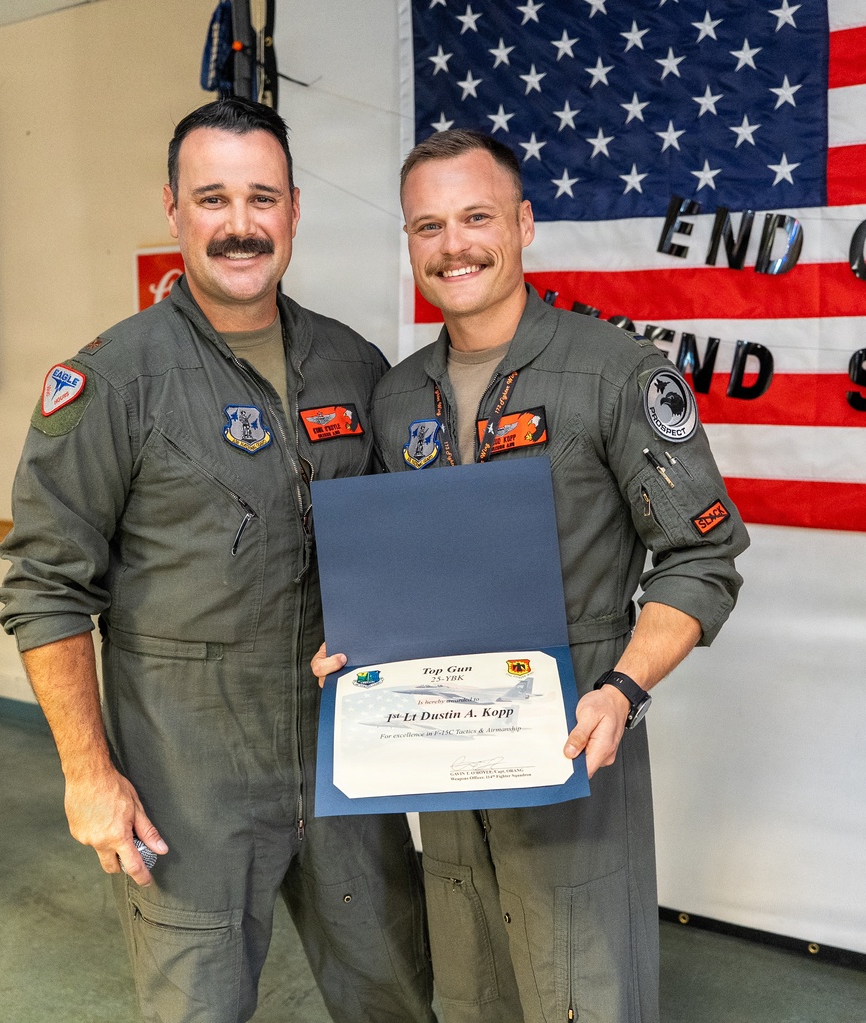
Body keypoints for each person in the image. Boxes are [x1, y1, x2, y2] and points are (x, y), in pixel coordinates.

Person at [0, 98, 435, 1023]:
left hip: (345, 758)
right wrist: (88, 772)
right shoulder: (113, 382)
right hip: (189, 781)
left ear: (293, 211)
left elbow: (407, 543)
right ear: (173, 211)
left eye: (261, 198)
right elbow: (43, 586)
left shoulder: (353, 366)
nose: (240, 225)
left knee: (396, 992)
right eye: (213, 199)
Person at [313, 129, 749, 1023]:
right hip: (438, 741)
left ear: (524, 223)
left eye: (476, 216)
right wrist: (355, 655)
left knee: (584, 990)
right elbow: (398, 567)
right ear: (409, 242)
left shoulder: (618, 374)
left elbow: (704, 558)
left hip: (575, 734)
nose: (453, 244)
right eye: (427, 225)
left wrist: (623, 688)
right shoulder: (397, 396)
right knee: (472, 987)